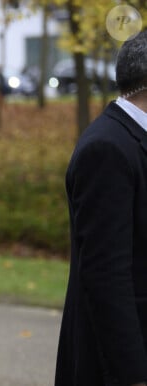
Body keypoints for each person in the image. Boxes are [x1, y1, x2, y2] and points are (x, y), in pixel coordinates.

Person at [55, 30, 147, 386]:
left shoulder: (129, 139)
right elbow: (106, 275)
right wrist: (134, 374)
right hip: (119, 365)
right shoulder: (107, 148)